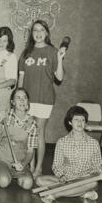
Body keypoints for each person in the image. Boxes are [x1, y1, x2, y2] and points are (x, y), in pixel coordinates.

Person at [18, 20, 66, 179]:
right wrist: (18, 98)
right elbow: (21, 79)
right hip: (27, 100)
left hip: (45, 98)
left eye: (42, 30)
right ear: (32, 34)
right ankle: (29, 165)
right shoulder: (26, 52)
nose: (38, 33)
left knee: (38, 132)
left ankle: (38, 168)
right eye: (35, 30)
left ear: (46, 33)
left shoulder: (53, 52)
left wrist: (60, 59)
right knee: (26, 133)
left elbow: (59, 77)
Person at [35, 106, 102, 203]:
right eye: (76, 119)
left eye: (82, 120)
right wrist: (61, 176)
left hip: (84, 181)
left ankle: (54, 195)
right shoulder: (62, 142)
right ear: (70, 122)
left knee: (93, 183)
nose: (80, 123)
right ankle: (81, 193)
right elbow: (56, 165)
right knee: (39, 180)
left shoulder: (94, 143)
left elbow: (97, 167)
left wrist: (94, 173)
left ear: (85, 123)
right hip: (66, 180)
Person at [0, 88, 37, 190]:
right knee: (4, 182)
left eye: (24, 98)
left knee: (27, 184)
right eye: (18, 98)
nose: (22, 100)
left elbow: (30, 151)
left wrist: (23, 164)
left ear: (28, 101)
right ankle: (3, 172)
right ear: (12, 102)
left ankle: (13, 174)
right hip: (2, 159)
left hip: (19, 162)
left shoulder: (32, 123)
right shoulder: (5, 116)